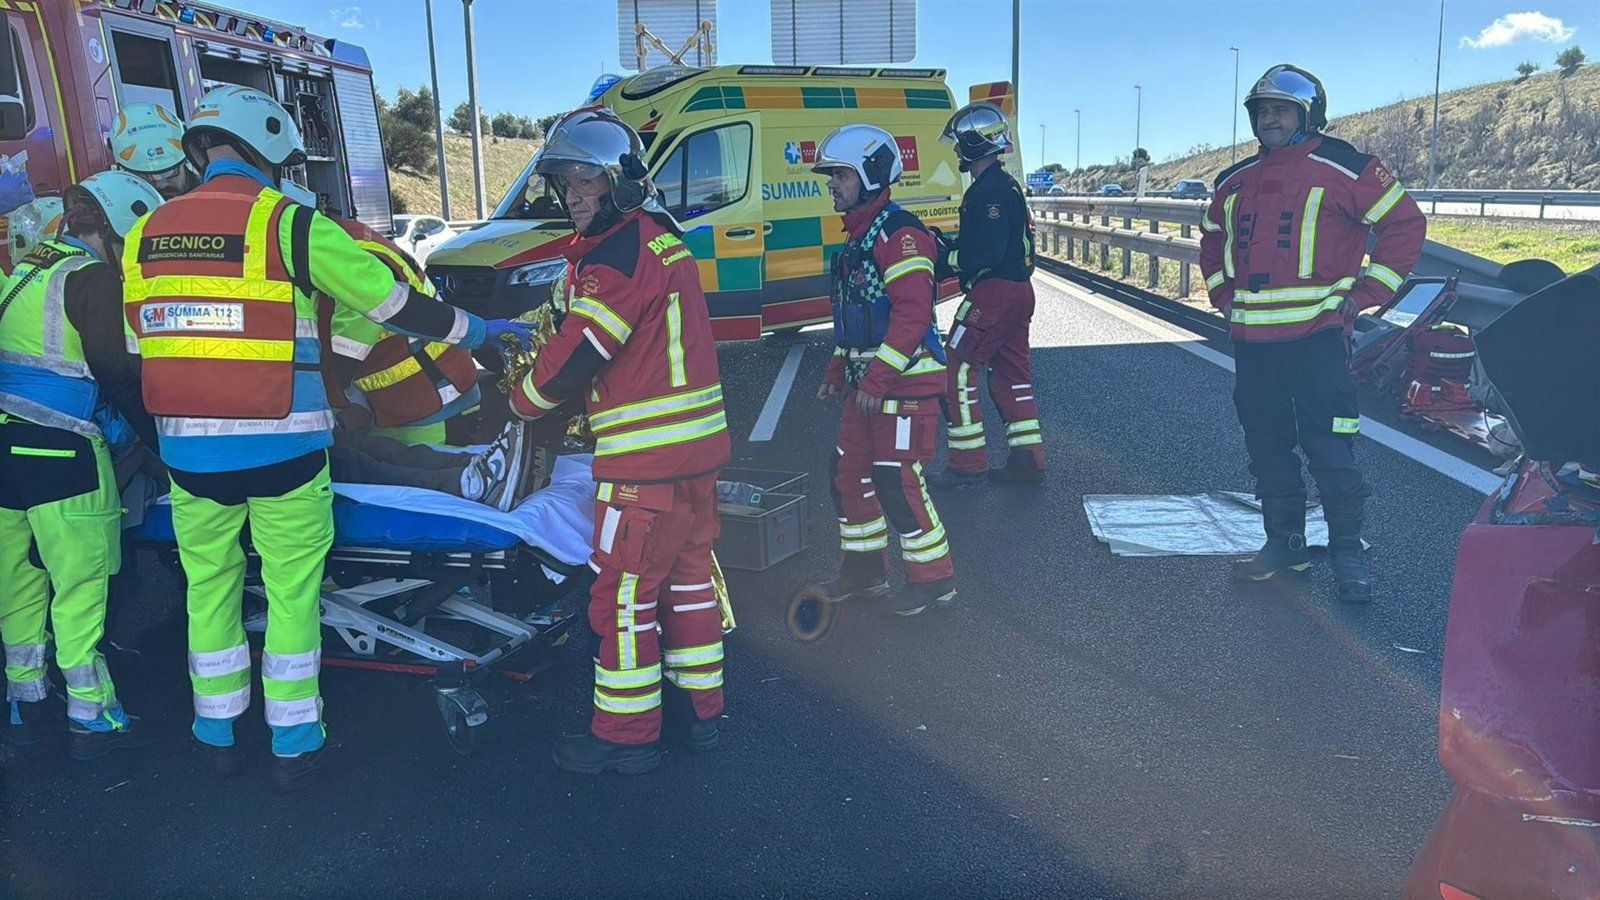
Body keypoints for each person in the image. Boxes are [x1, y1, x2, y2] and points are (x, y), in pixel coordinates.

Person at [120, 85, 535, 791]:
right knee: (290, 592)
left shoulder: (147, 233)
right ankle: (294, 742)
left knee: (210, 590)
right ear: (269, 151)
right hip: (281, 451)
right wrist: (481, 331)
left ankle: (216, 733)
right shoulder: (288, 225)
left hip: (188, 456)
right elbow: (393, 304)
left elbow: (141, 340)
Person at [508, 108, 729, 775]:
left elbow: (576, 359)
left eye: (585, 182)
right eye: (564, 183)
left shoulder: (616, 257)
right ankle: (700, 714)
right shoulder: (661, 236)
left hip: (643, 466)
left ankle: (624, 741)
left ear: (617, 185)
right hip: (694, 458)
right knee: (687, 586)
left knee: (623, 599)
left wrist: (521, 400)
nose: (572, 196)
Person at [1199, 65, 1425, 604]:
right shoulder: (1233, 181)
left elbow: (1405, 226)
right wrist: (1222, 295)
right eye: (1261, 110)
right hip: (1254, 346)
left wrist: (1367, 293)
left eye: (1280, 110)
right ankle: (1285, 545)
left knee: (1331, 450)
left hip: (1319, 342)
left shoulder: (1348, 167)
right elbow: (1212, 242)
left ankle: (1348, 553)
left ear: (1307, 114)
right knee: (1267, 449)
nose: (1268, 119)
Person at [0, 171, 164, 760]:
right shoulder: (91, 278)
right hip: (65, 452)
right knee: (80, 584)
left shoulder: (26, 270)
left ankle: (26, 702)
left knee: (17, 584)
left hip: (5, 450)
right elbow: (116, 374)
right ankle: (91, 712)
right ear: (117, 231)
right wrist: (160, 439)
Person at [811, 124, 956, 616]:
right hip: (868, 385)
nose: (832, 184)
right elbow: (855, 318)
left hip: (905, 381)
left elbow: (912, 316)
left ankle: (934, 580)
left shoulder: (902, 234)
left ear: (872, 175)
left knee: (895, 477)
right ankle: (864, 573)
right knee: (845, 472)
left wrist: (875, 379)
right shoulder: (858, 238)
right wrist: (837, 369)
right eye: (831, 176)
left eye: (841, 175)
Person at [927, 101, 1045, 488]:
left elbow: (988, 252)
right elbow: (992, 242)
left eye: (961, 144)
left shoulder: (989, 191)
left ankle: (967, 465)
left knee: (955, 370)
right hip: (1018, 290)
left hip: (994, 293)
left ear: (974, 145)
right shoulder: (1003, 185)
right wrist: (952, 247)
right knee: (1012, 375)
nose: (958, 151)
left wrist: (948, 258)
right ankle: (1028, 461)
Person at [107, 101, 195, 200]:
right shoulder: (120, 206)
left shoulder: (210, 199)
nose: (161, 184)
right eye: (146, 177)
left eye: (168, 172)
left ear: (186, 160)